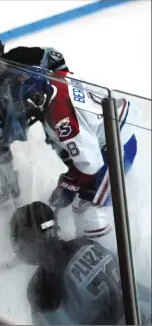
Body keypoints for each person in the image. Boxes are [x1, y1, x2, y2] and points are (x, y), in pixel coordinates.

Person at [9, 68, 138, 238]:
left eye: (27, 103)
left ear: (39, 95)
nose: (26, 109)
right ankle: (85, 242)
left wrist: (68, 185)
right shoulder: (54, 77)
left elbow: (90, 164)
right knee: (80, 201)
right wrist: (70, 183)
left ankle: (109, 254)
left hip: (116, 147)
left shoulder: (62, 120)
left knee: (89, 208)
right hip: (112, 128)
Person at [9, 201, 151, 325]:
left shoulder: (41, 287)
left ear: (30, 242)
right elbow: (136, 286)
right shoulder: (86, 243)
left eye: (18, 241)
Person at [0, 34, 68, 207]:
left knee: (60, 134)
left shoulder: (20, 56)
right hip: (16, 116)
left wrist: (60, 84)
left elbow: (55, 57)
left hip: (46, 102)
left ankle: (76, 171)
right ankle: (9, 187)